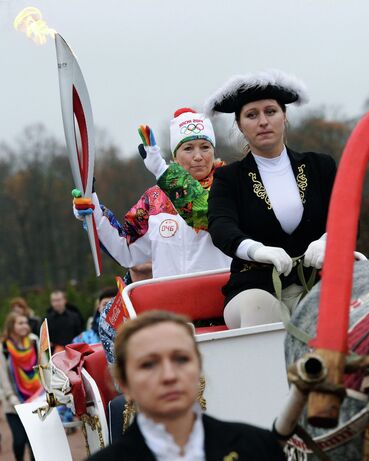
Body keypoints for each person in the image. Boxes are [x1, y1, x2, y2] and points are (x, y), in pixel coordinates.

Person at [204, 70, 339, 328]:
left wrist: (327, 241)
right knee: (260, 311)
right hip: (252, 288)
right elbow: (221, 227)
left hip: (318, 282)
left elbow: (347, 217)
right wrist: (257, 251)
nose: (263, 121)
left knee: (329, 310)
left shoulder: (320, 166)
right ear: (240, 125)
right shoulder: (228, 178)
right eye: (252, 115)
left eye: (270, 111)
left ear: (284, 117)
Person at [86, 310, 286, 460]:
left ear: (198, 368)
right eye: (148, 364)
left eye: (181, 359)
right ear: (124, 384)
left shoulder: (258, 447)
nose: (169, 376)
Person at [72, 108, 231, 279]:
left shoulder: (230, 186)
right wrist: (92, 209)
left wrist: (163, 172)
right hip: (170, 301)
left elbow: (204, 215)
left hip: (220, 297)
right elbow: (126, 251)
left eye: (205, 147)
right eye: (188, 148)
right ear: (175, 156)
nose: (198, 156)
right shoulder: (154, 200)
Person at [0, 312, 41, 461]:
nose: (25, 325)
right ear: (11, 326)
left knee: (34, 442)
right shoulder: (4, 347)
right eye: (20, 323)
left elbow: (43, 365)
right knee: (19, 441)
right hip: (14, 404)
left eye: (26, 322)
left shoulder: (34, 341)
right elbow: (3, 376)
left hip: (36, 399)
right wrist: (11, 397)